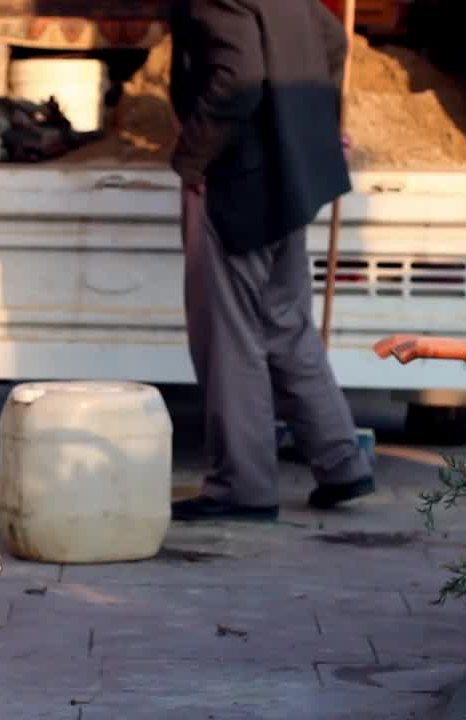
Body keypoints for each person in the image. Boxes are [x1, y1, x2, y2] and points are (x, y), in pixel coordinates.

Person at [168, 0, 374, 522]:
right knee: (287, 325)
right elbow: (333, 40)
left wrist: (193, 155)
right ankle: (342, 464)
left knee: (229, 336)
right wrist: (312, 125)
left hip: (236, 178)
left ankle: (243, 486)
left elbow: (240, 75)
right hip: (288, 179)